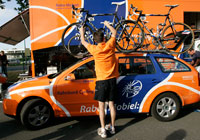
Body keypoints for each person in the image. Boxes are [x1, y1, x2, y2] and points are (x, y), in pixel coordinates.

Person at [80, 21, 119, 138]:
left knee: (101, 107)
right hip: (112, 80)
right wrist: (107, 25)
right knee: (111, 105)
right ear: (104, 38)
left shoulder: (94, 49)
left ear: (95, 40)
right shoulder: (110, 45)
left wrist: (82, 31)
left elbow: (83, 41)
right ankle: (112, 127)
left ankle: (103, 129)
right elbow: (114, 32)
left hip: (101, 81)